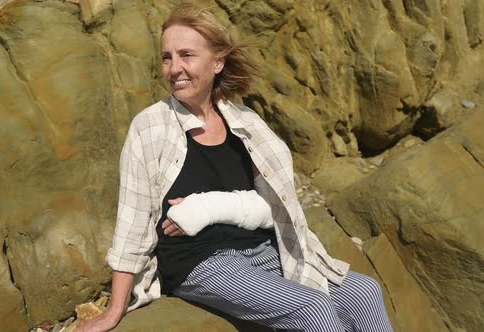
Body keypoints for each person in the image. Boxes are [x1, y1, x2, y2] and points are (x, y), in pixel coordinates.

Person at [77, 3, 393, 332]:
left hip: (262, 247)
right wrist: (114, 310)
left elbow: (277, 205)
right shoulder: (150, 127)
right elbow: (132, 224)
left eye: (187, 55)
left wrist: (212, 207)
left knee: (365, 292)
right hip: (200, 262)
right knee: (313, 308)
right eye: (167, 57)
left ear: (217, 62)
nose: (174, 68)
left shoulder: (246, 122)